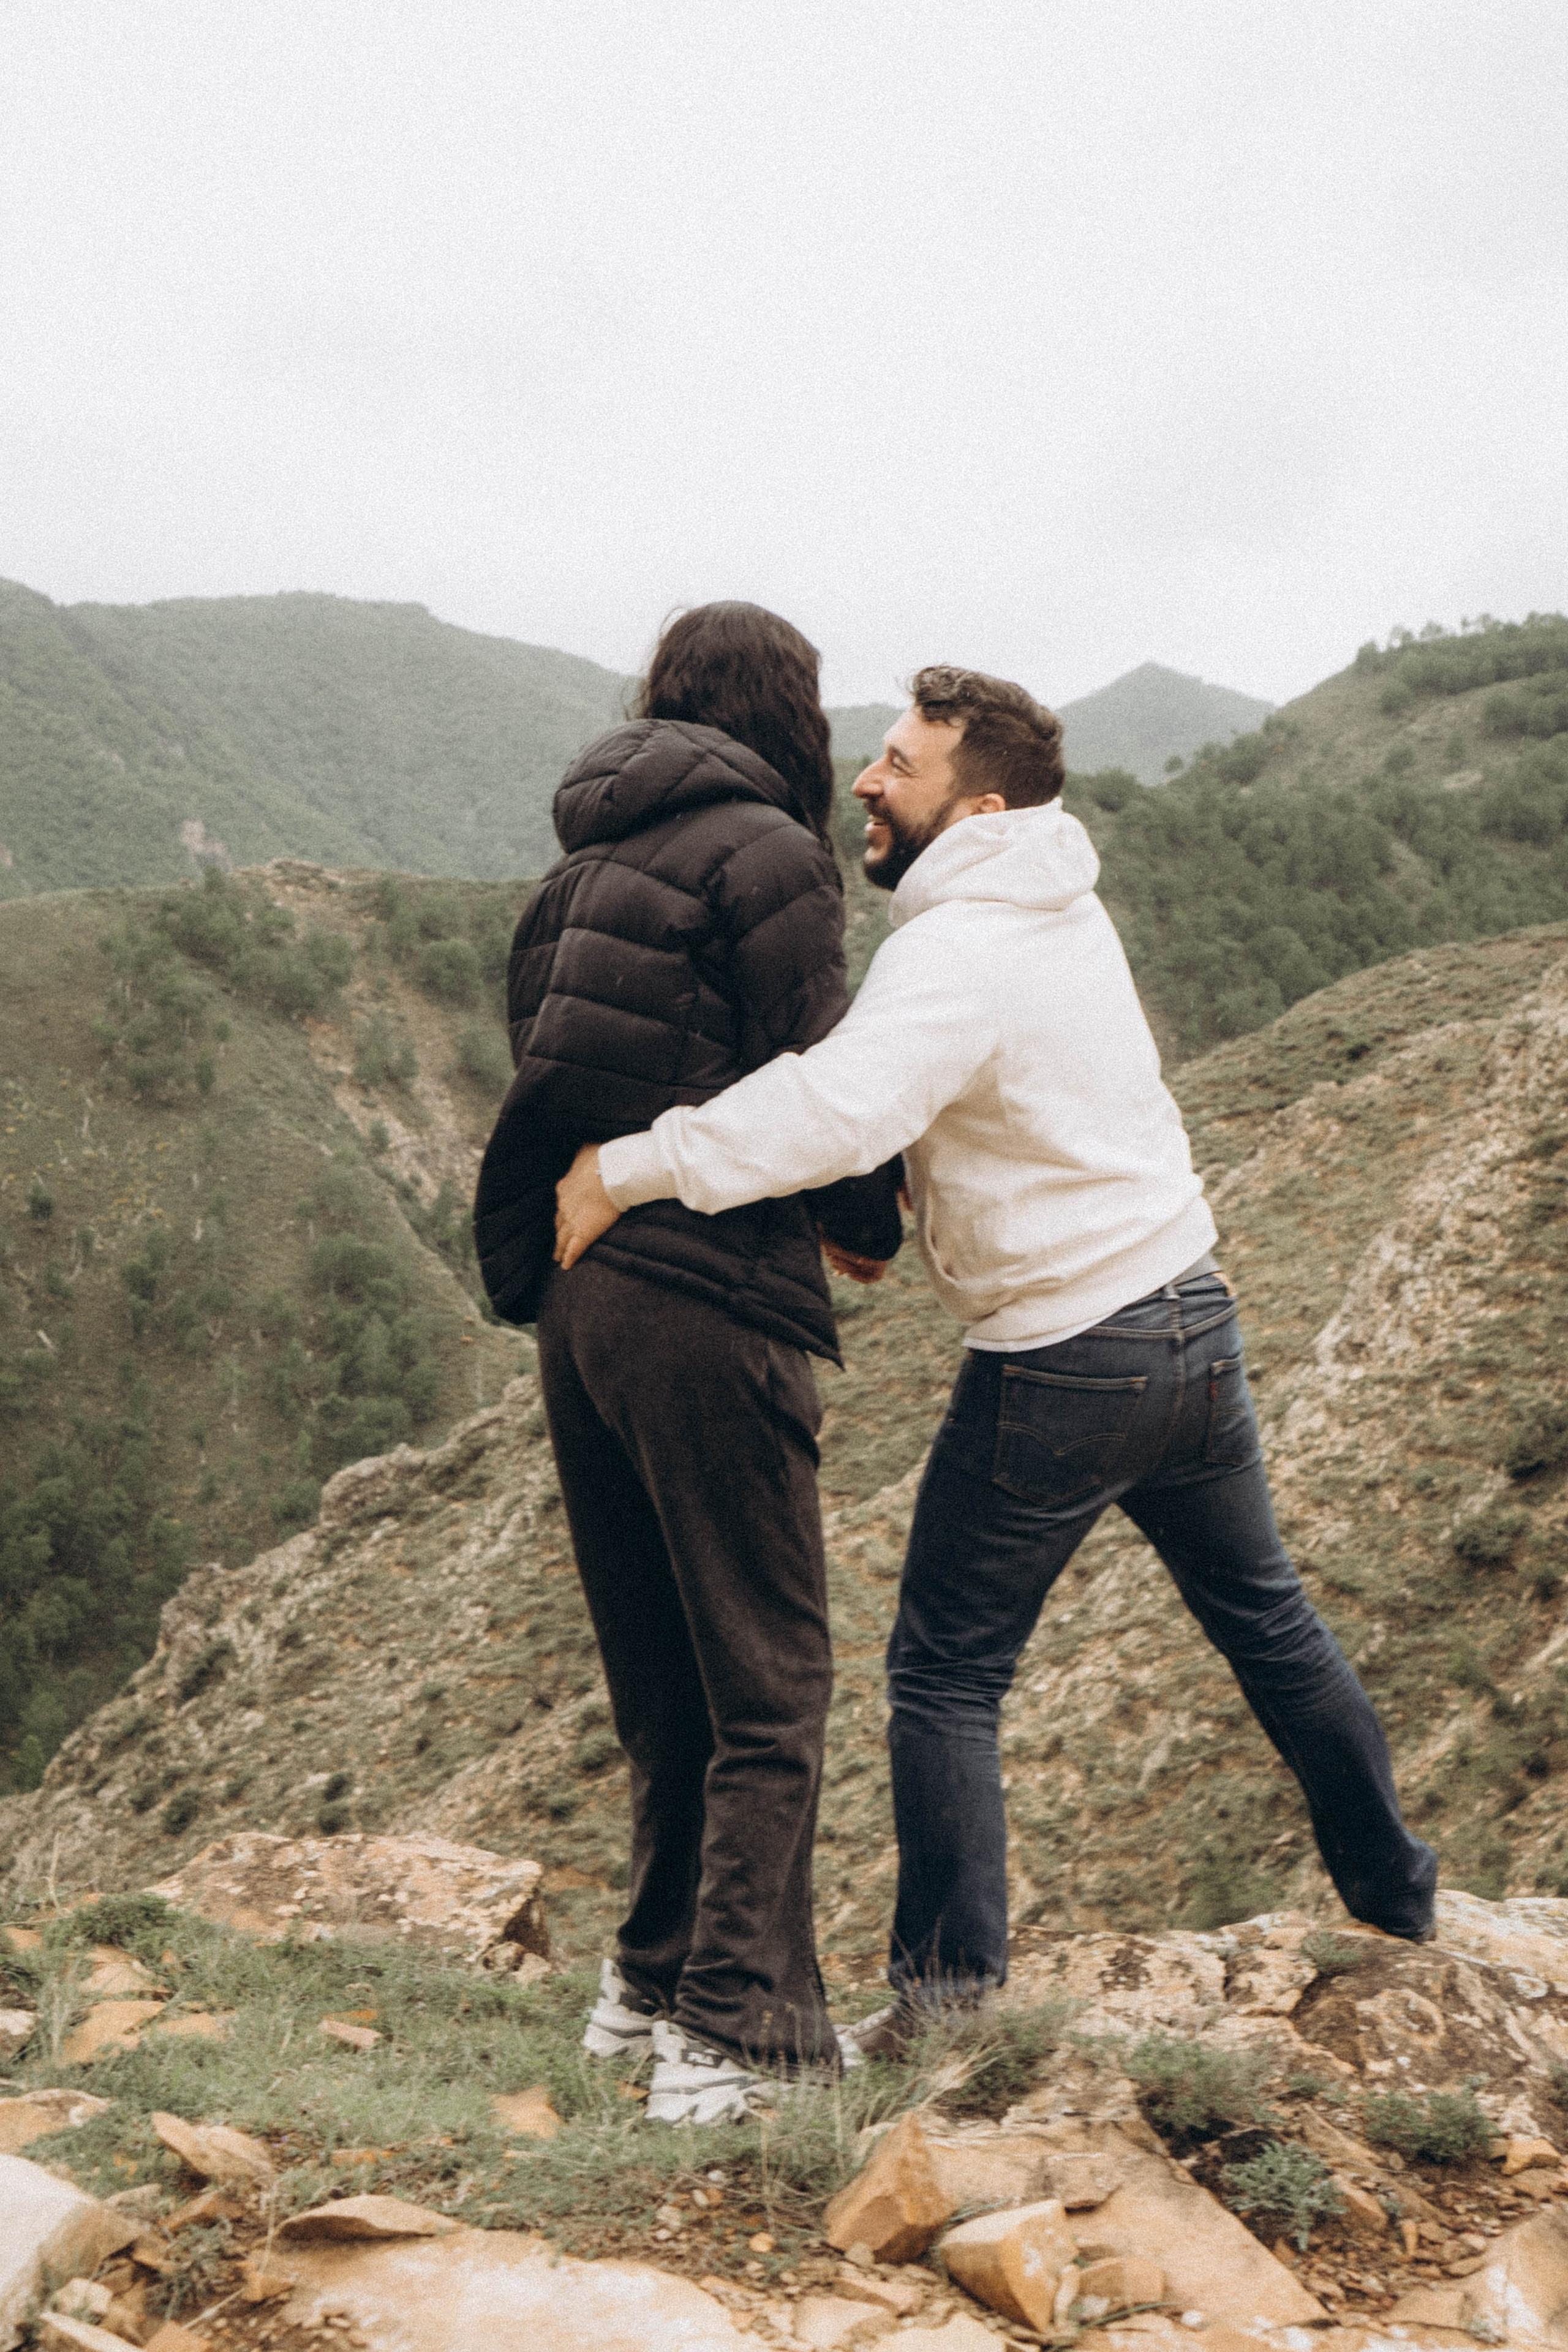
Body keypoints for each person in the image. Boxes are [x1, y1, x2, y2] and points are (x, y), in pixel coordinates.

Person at [554, 663, 1438, 2052]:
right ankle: (1398, 1896)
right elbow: (997, 1095)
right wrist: (905, 1198)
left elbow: (840, 1106)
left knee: (945, 1674)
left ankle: (946, 2005)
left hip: (1061, 1357)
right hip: (1187, 1317)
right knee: (1266, 1621)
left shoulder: (954, 948)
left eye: (896, 765)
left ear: (971, 803)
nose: (865, 777)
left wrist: (631, 1167)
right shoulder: (1058, 905)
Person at [474, 601, 901, 2120]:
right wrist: (864, 1227)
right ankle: (731, 2037)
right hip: (709, 1293)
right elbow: (819, 1070)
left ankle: (646, 1989)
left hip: (583, 1303)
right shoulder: (769, 855)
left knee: (663, 1679)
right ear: (786, 709)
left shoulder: (580, 865)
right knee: (771, 1678)